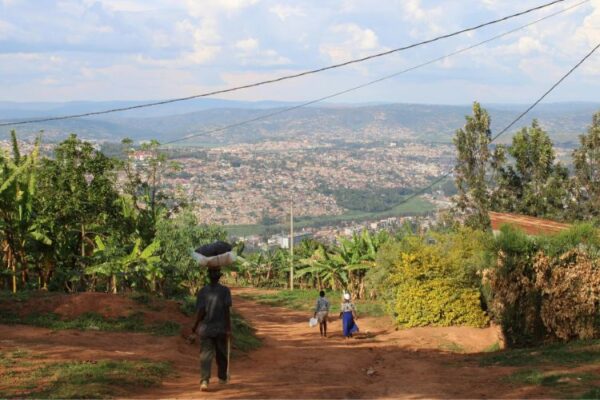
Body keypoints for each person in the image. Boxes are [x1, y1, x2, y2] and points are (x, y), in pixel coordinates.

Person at [192, 268, 232, 392]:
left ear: (208, 276)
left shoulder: (202, 291)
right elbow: (226, 311)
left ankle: (204, 380)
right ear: (219, 277)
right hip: (221, 328)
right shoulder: (225, 291)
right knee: (221, 354)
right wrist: (228, 328)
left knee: (205, 355)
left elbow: (201, 311)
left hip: (206, 328)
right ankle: (222, 378)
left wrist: (195, 325)